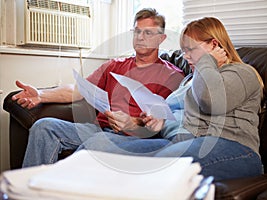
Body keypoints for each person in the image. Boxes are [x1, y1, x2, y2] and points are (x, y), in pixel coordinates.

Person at [77, 17, 264, 181]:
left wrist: (207, 61)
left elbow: (210, 101)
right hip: (181, 143)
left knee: (162, 164)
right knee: (97, 144)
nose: (186, 56)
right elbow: (177, 117)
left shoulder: (242, 72)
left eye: (191, 49)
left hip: (234, 149)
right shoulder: (189, 81)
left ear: (214, 45)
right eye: (184, 50)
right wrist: (159, 122)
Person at [12, 8, 184, 168]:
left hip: (133, 137)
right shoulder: (115, 65)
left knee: (98, 142)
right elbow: (78, 90)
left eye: (148, 33)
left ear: (161, 38)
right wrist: (41, 95)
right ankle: (29, 190)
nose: (140, 37)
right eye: (137, 31)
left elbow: (166, 119)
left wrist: (132, 122)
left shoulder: (172, 76)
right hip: (98, 129)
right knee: (44, 127)